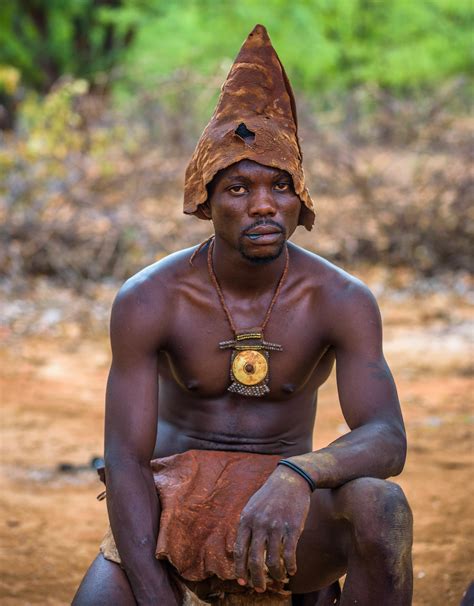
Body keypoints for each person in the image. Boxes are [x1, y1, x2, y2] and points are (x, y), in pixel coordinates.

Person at [73, 24, 413, 606]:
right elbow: (126, 459)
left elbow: (387, 438)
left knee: (381, 505)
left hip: (288, 521)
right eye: (238, 188)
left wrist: (299, 474)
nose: (263, 205)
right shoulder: (152, 298)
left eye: (281, 186)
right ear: (205, 200)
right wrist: (155, 596)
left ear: (300, 200)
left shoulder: (340, 299)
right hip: (171, 513)